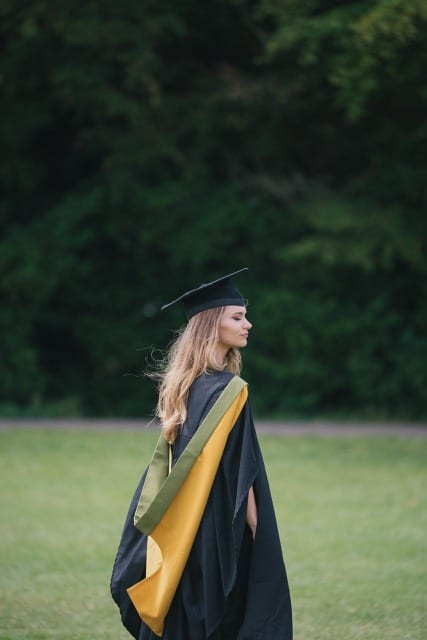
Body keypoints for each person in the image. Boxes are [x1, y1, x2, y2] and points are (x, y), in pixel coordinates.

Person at [111, 268, 293, 640]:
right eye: (238, 317)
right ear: (213, 325)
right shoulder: (230, 390)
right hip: (217, 528)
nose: (249, 325)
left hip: (181, 525)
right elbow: (243, 470)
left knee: (184, 611)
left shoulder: (185, 385)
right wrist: (259, 530)